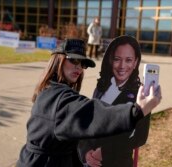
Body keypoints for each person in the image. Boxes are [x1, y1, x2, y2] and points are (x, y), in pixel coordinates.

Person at [16, 38, 162, 167]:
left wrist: (97, 153)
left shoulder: (50, 90)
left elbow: (138, 137)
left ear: (136, 62)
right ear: (57, 60)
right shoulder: (60, 98)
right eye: (73, 60)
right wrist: (137, 111)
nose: (78, 67)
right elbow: (94, 114)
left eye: (82, 63)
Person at [78, 35, 150, 167]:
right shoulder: (101, 88)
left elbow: (140, 137)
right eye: (117, 59)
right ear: (110, 60)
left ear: (135, 62)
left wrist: (104, 152)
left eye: (128, 60)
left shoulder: (141, 95)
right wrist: (85, 152)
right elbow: (89, 124)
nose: (122, 66)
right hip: (91, 162)